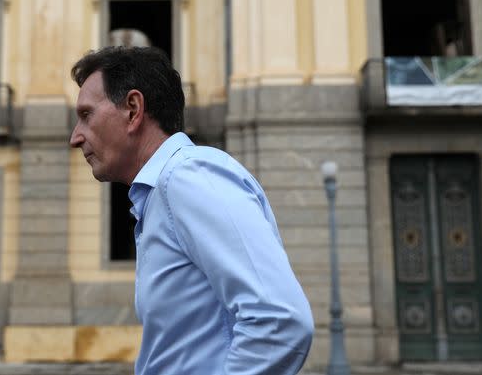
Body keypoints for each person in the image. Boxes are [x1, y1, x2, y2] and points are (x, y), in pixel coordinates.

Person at [69, 46, 314, 374]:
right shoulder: (161, 194)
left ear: (133, 109)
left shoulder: (188, 177)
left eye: (86, 115)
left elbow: (280, 322)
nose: (75, 137)